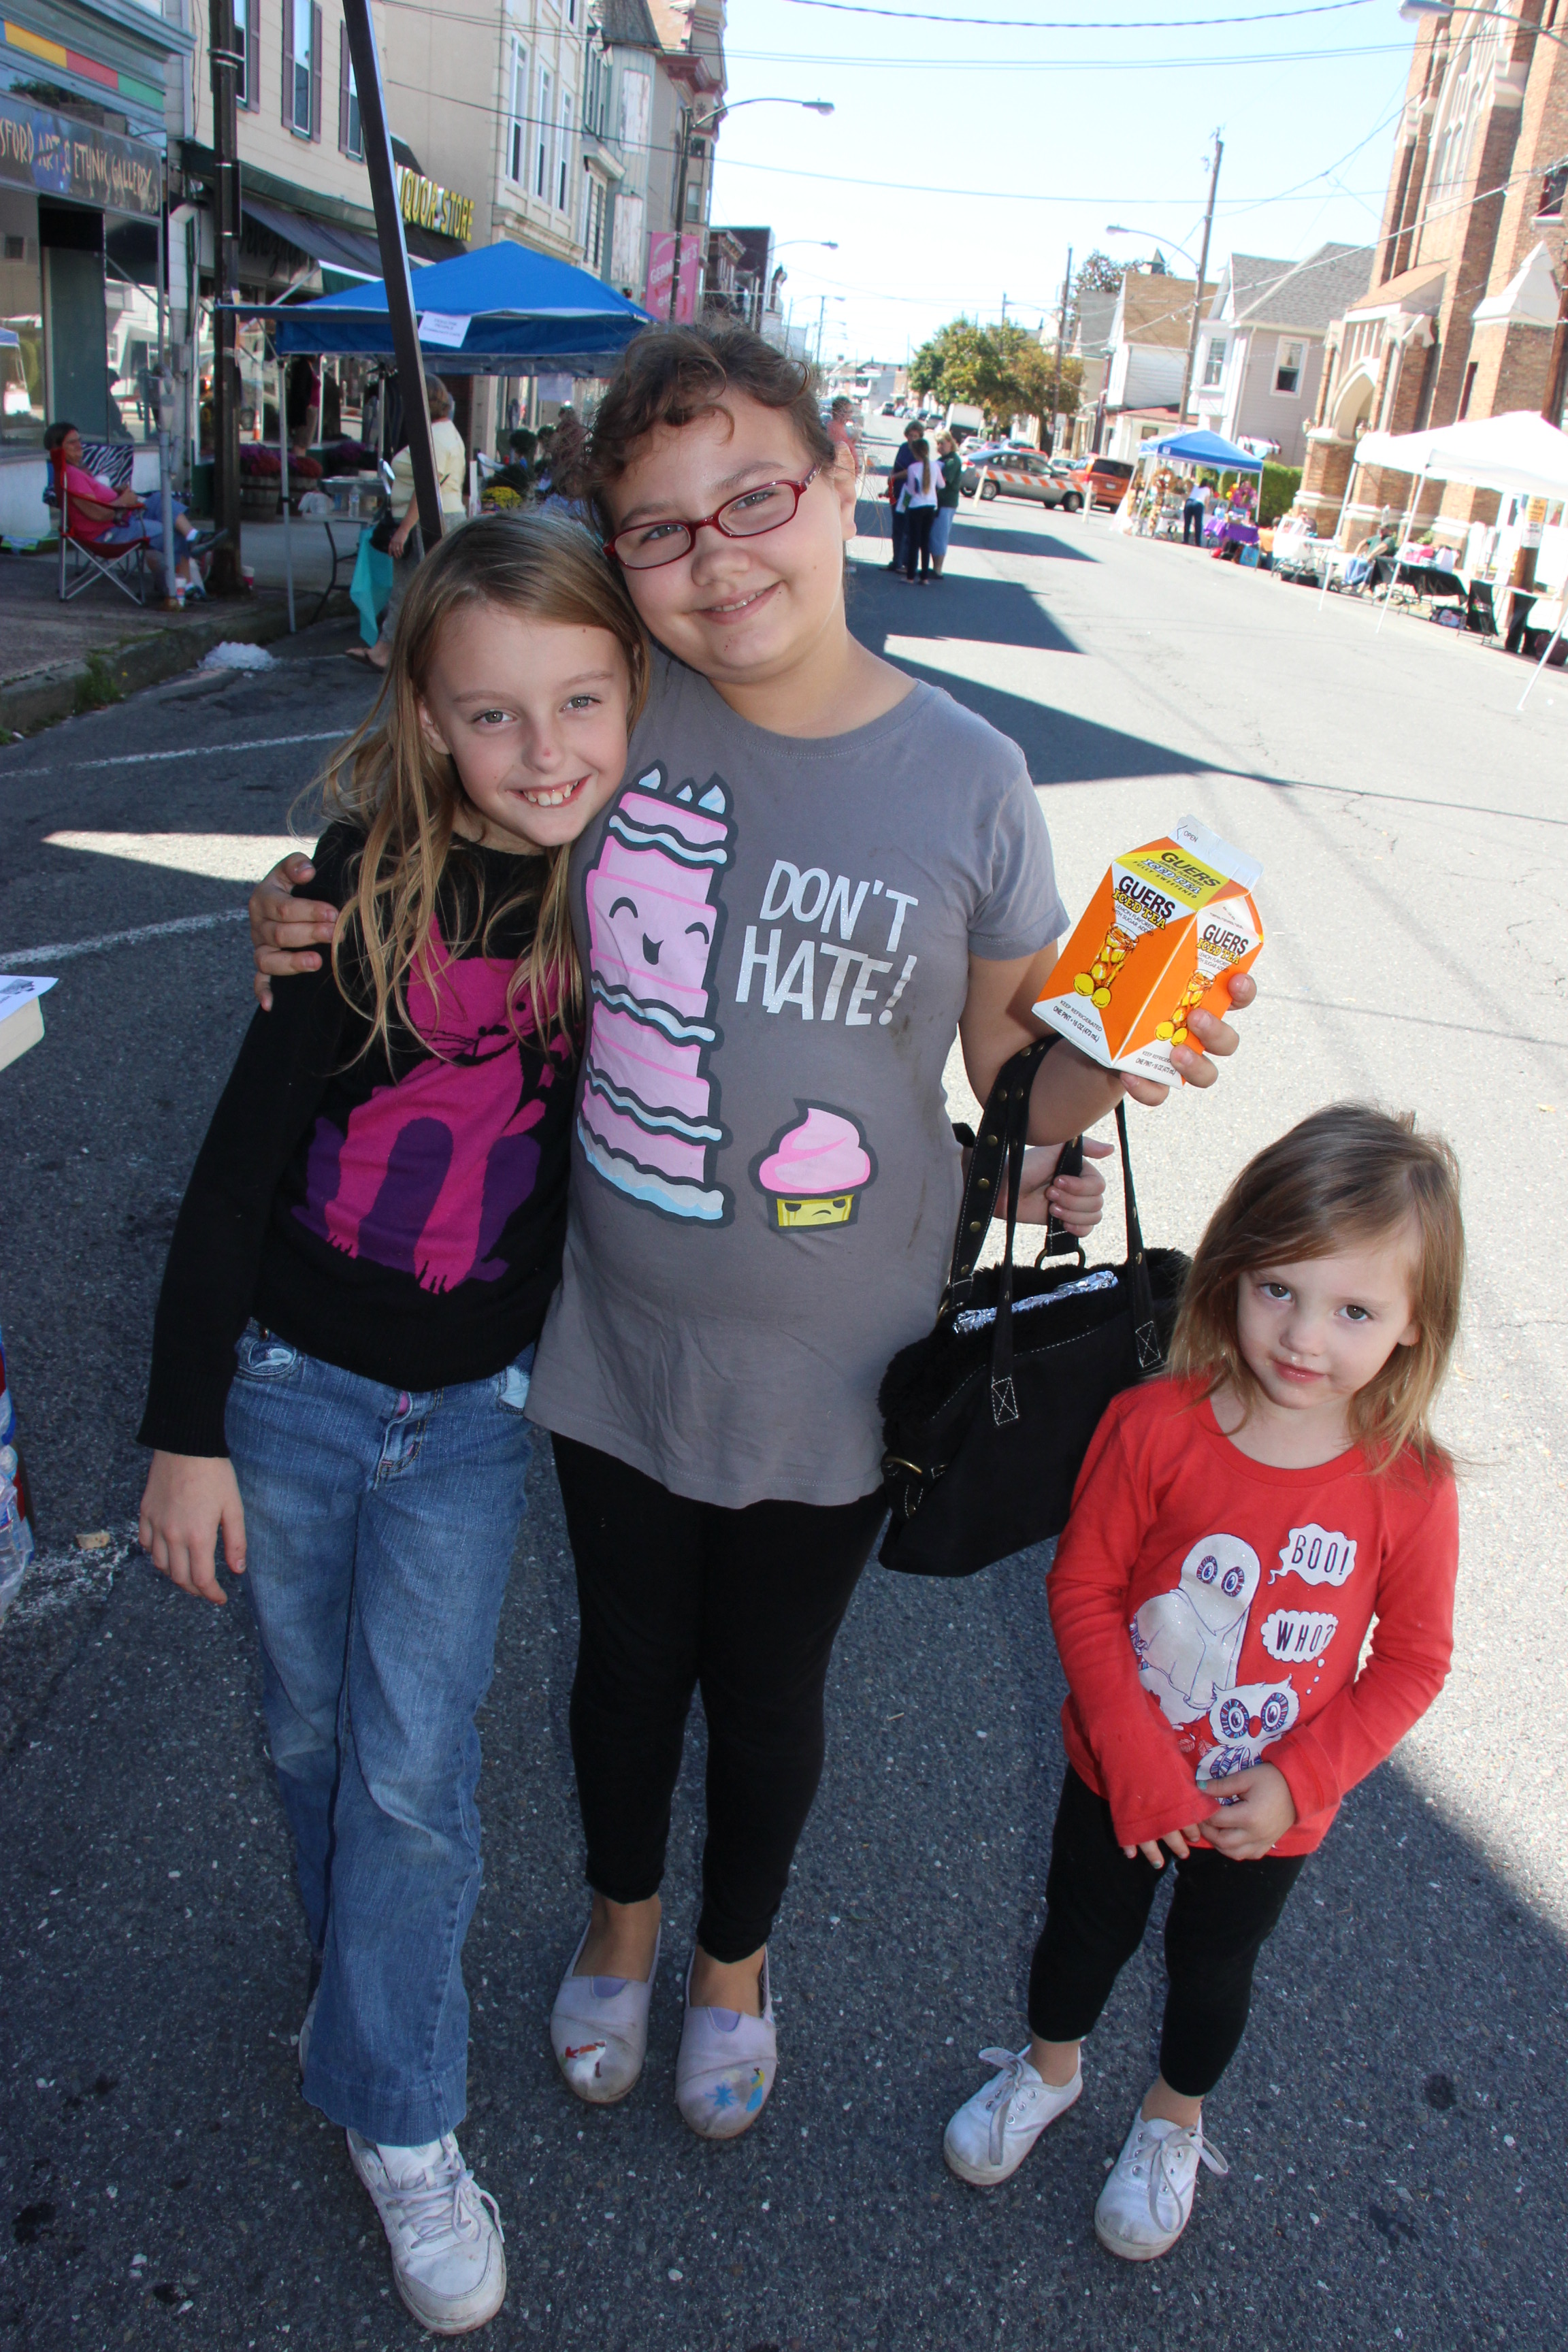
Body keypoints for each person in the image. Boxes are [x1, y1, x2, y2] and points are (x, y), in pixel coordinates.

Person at [248, 321, 1254, 2149]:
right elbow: (443, 826)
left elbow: (1010, 1079)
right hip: (611, 1324)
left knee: (771, 1686)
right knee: (629, 1664)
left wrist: (1116, 1061)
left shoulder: (970, 776)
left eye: (755, 497)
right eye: (658, 526)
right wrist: (302, 901)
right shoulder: (618, 709)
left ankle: (734, 1959)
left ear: (843, 476)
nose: (716, 556)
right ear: (617, 556)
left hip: (846, 1359)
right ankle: (623, 1923)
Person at [137, 514, 648, 2334]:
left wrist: (1009, 1153)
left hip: (474, 1419)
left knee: (413, 1772)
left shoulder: (634, 900)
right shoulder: (353, 893)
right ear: (428, 717)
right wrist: (183, 1430)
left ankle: (403, 2116)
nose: (543, 751)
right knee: (309, 1738)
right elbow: (232, 1176)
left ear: (635, 695)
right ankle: (359, 1995)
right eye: (492, 713)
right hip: (287, 1393)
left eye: (580, 701)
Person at [943, 1104, 1462, 2262]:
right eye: (1277, 1288)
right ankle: (1048, 2069)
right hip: (1118, 1773)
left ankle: (1173, 2119)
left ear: (1413, 1325)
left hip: (1261, 1813)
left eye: (1354, 1311)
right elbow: (1083, 1587)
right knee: (1079, 1938)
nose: (1304, 1337)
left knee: (1212, 1969)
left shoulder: (1409, 1486)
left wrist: (1299, 1781)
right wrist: (1131, 1757)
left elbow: (1412, 1659)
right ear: (1231, 1269)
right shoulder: (1151, 1425)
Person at [352, 376, 467, 672]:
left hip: (428, 519)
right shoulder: (443, 432)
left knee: (419, 587)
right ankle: (389, 648)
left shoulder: (436, 437)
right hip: (435, 516)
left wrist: (403, 530)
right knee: (415, 587)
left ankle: (403, 652)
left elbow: (428, 486)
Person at [44, 421, 223, 592]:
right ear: (58, 448)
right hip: (108, 534)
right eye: (71, 443)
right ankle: (187, 588)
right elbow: (96, 514)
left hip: (121, 521)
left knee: (159, 500)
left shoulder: (73, 472)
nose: (79, 445)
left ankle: (194, 536)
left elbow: (94, 501)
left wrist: (115, 492)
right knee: (172, 533)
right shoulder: (73, 476)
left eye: (79, 440)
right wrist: (123, 501)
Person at [899, 434, 941, 583]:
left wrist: (904, 504)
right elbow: (942, 485)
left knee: (914, 542)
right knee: (925, 541)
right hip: (931, 506)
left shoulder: (913, 468)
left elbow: (911, 490)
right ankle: (924, 577)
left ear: (915, 452)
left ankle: (910, 576)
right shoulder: (935, 466)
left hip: (916, 506)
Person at [886, 417, 922, 572]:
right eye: (911, 435)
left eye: (916, 436)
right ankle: (896, 560)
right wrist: (890, 482)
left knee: (906, 525)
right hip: (897, 489)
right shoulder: (903, 447)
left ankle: (906, 561)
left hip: (909, 491)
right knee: (897, 526)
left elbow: (911, 471)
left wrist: (895, 476)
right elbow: (896, 466)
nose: (912, 438)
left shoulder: (918, 452)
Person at [930, 431, 962, 576]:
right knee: (934, 535)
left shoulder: (952, 461)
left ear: (950, 443)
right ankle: (934, 567)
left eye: (942, 443)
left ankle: (938, 569)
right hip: (937, 503)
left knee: (940, 535)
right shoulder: (942, 460)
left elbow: (944, 481)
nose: (940, 446)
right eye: (938, 444)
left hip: (946, 503)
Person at [1182, 474, 1211, 547]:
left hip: (1189, 502)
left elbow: (1190, 494)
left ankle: (1185, 540)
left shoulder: (1196, 487)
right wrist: (1206, 509)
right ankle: (1198, 542)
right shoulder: (1207, 489)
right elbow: (1207, 501)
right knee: (1198, 524)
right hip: (1198, 504)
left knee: (1187, 523)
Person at [828, 395, 858, 463]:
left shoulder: (840, 427)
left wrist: (852, 442)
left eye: (851, 412)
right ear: (838, 412)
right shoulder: (835, 429)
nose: (850, 415)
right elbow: (840, 453)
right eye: (848, 412)